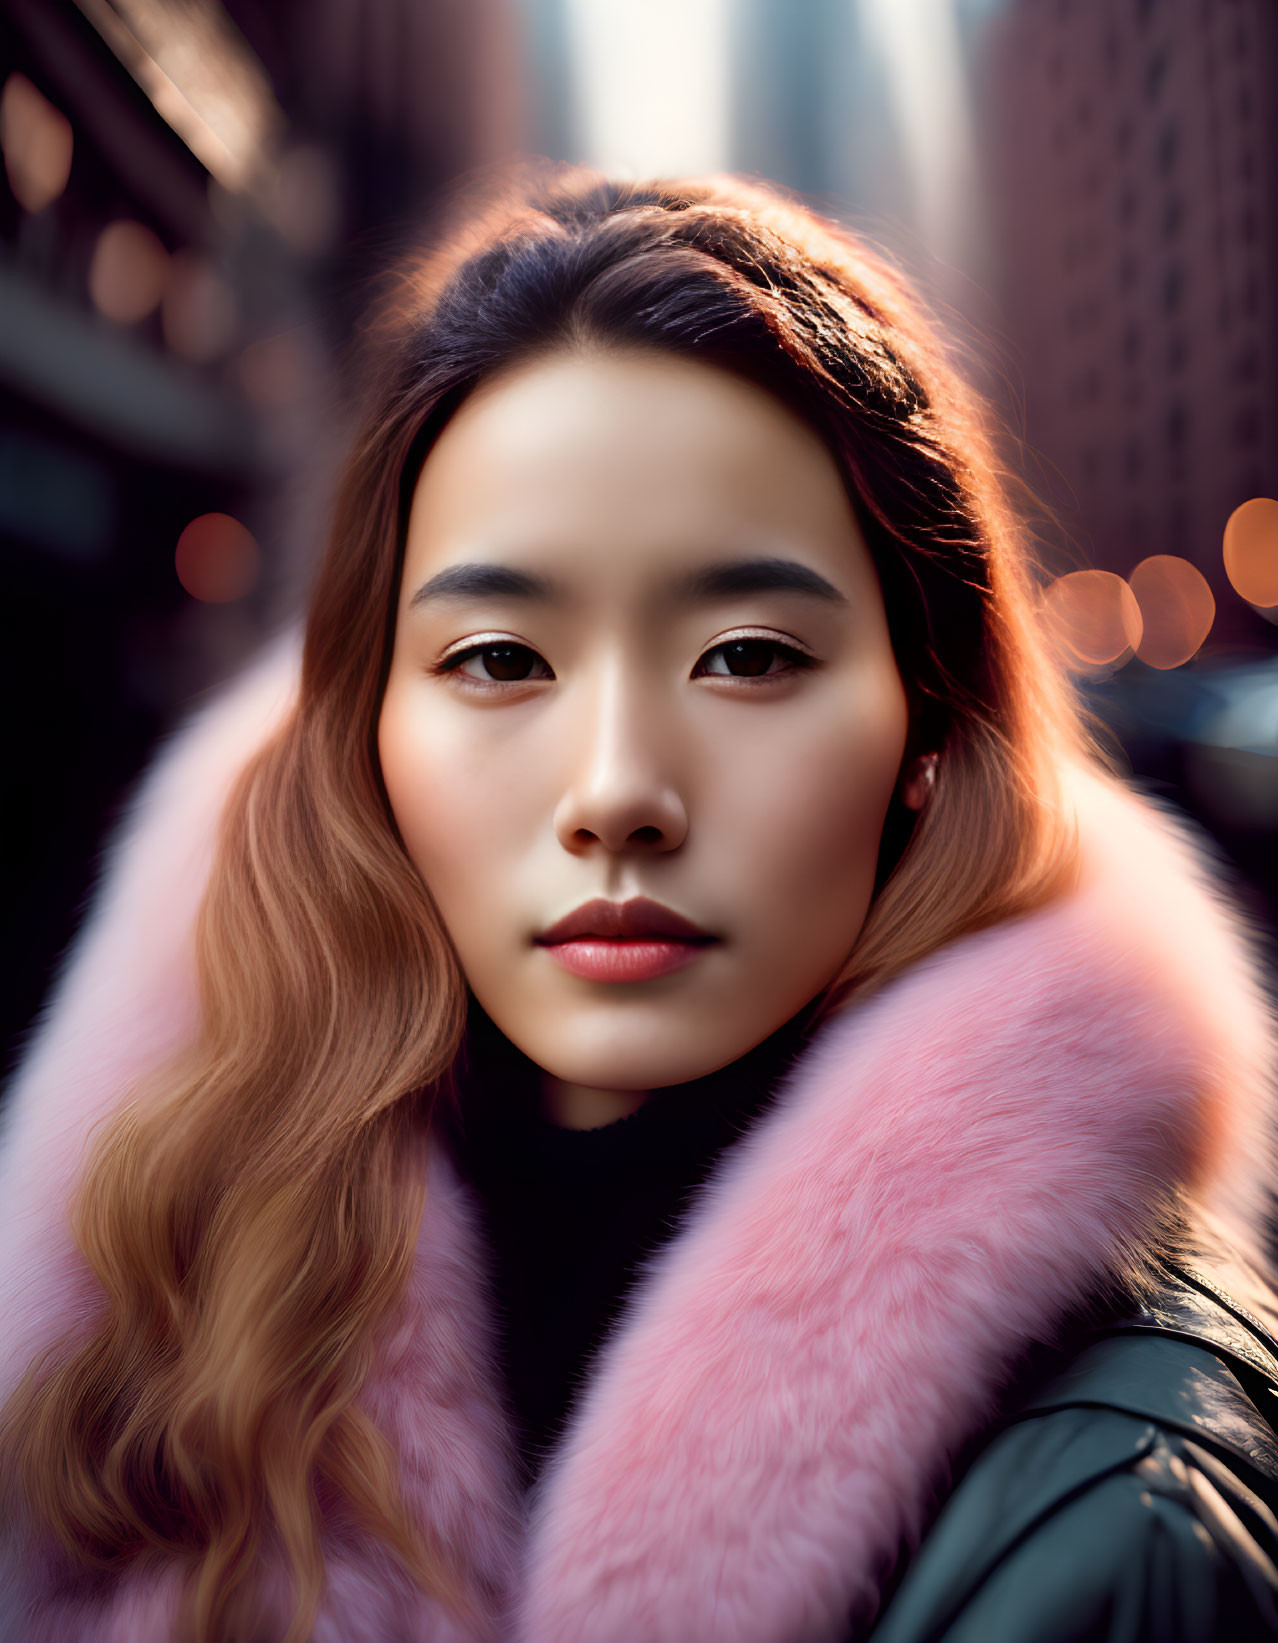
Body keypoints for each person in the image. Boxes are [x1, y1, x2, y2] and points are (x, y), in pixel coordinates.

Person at [1, 162, 1277, 1643]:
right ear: (366, 733)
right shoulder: (156, 1279)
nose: (614, 789)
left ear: (925, 728)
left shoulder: (1130, 1520)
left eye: (744, 655)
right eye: (497, 658)